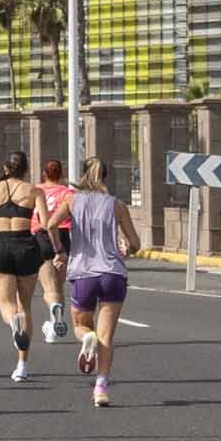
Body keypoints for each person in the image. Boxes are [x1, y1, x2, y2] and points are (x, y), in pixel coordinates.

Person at [57, 161, 141, 410]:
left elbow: (50, 224)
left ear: (83, 173)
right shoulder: (117, 205)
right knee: (107, 337)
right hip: (113, 274)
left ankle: (87, 337)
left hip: (83, 273)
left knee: (80, 325)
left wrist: (60, 251)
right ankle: (101, 388)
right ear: (106, 176)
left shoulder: (71, 201)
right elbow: (134, 242)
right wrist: (126, 248)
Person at [0, 158, 46, 382]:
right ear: (26, 169)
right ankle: (22, 364)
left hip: (0, 246)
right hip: (25, 245)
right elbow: (44, 222)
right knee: (25, 306)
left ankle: (13, 323)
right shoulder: (34, 191)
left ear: (5, 169)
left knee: (7, 305)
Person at [33, 158, 79, 343]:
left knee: (49, 287)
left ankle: (53, 309)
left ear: (44, 173)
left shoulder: (36, 191)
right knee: (59, 286)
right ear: (61, 174)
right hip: (63, 237)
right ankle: (53, 328)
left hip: (42, 236)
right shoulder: (68, 193)